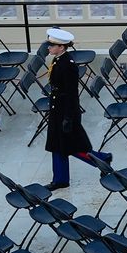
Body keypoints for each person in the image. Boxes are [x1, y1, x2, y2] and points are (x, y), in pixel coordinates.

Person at [42, 29, 109, 189]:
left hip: (66, 111)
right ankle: (61, 179)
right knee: (58, 146)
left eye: (52, 45)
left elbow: (72, 93)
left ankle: (102, 160)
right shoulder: (58, 60)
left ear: (62, 47)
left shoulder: (68, 65)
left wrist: (68, 117)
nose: (49, 48)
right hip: (57, 109)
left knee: (72, 146)